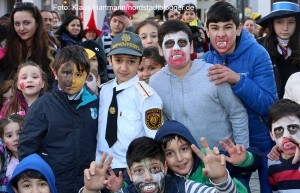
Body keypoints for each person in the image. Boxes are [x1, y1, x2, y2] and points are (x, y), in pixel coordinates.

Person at [201, 1, 278, 192]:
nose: (220, 34)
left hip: (262, 143)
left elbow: (269, 104)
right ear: (207, 31)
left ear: (238, 29)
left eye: (227, 27)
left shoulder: (258, 54)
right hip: (229, 146)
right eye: (215, 28)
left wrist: (237, 80)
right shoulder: (204, 61)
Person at [149, 20, 249, 150]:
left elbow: (237, 113)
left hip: (223, 157)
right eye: (169, 44)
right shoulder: (155, 82)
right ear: (160, 50)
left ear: (191, 47)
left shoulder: (213, 73)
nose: (176, 48)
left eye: (182, 42)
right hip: (183, 162)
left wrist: (243, 152)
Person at [18, 45, 98, 193]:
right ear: (55, 73)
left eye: (79, 74)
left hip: (87, 183)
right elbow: (26, 148)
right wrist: (38, 182)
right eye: (66, 72)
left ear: (87, 76)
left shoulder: (95, 103)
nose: (71, 79)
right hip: (54, 183)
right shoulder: (42, 106)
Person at [96, 31, 163, 185]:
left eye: (131, 61)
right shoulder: (105, 90)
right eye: (118, 60)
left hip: (131, 168)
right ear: (109, 60)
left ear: (141, 62)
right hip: (102, 165)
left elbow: (154, 137)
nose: (124, 67)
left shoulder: (147, 95)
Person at [81, 136, 239, 193]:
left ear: (164, 168)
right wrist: (89, 190)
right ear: (129, 174)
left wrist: (221, 179)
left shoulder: (187, 188)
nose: (148, 177)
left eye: (155, 168)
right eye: (139, 171)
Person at [154, 120, 265, 193]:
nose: (179, 158)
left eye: (184, 149)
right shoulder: (163, 178)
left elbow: (258, 158)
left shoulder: (211, 159)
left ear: (193, 148)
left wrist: (243, 160)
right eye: (169, 153)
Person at [2, 2, 56, 90]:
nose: (21, 28)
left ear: (37, 23)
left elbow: (53, 86)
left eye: (26, 23)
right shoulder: (8, 49)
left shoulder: (50, 51)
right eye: (17, 24)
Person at [257, 0, 300, 99]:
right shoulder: (259, 47)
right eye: (279, 22)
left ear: (296, 24)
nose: (285, 28)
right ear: (272, 24)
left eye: (290, 22)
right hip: (269, 109)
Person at [267, 99, 300, 191]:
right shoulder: (273, 162)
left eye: (293, 127)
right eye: (279, 130)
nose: (286, 135)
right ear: (272, 135)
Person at [96, 10, 134, 80]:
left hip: (125, 79)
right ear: (110, 22)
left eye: (121, 22)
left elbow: (136, 42)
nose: (117, 24)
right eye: (115, 21)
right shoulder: (102, 39)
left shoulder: (127, 38)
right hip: (106, 81)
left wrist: (130, 27)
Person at [0, 114, 23, 180]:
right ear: (3, 141)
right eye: (9, 136)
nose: (16, 138)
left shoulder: (38, 157)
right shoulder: (4, 165)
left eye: (19, 133)